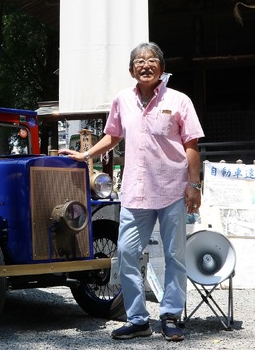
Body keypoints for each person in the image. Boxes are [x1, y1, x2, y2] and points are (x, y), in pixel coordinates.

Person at [60, 42, 204, 342]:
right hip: (136, 192)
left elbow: (191, 145)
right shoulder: (122, 99)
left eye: (152, 60)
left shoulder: (179, 100)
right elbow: (112, 136)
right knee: (125, 252)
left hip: (173, 189)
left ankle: (171, 315)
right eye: (139, 61)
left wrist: (194, 185)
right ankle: (138, 319)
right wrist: (84, 156)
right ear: (131, 70)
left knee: (174, 255)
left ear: (162, 68)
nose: (146, 65)